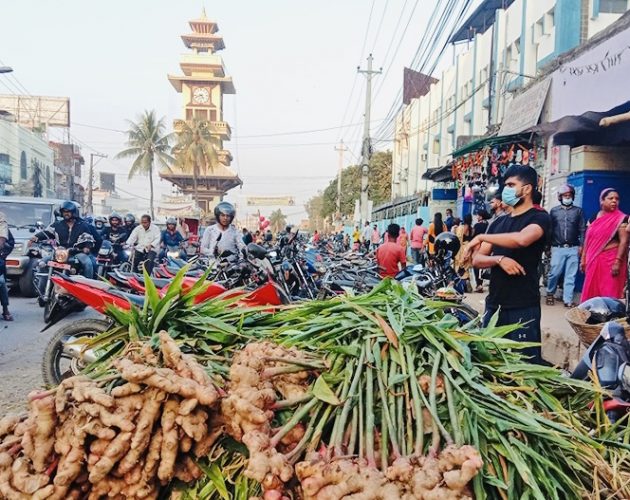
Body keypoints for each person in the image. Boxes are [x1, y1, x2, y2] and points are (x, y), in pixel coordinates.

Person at [466, 165, 551, 365]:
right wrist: (499, 259)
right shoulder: (497, 223)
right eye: (506, 185)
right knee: (491, 364)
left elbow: (522, 239)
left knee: (525, 366)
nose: (507, 190)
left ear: (528, 189)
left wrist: (481, 236)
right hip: (495, 304)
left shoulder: (540, 218)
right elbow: (478, 259)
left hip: (523, 306)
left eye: (512, 185)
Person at [580, 188, 628, 302]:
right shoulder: (593, 217)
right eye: (610, 198)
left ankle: (610, 318)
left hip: (611, 262)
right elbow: (588, 239)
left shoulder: (621, 218)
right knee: (592, 292)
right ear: (602, 201)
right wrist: (583, 259)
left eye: (617, 199)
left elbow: (624, 241)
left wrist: (618, 261)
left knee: (609, 293)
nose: (614, 201)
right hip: (593, 261)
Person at [545, 185, 585, 307]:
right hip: (558, 248)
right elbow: (549, 230)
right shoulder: (554, 211)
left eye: (569, 196)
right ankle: (550, 293)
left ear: (573, 196)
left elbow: (582, 229)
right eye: (565, 196)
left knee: (570, 275)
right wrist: (547, 247)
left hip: (573, 248)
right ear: (560, 197)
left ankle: (567, 300)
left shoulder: (578, 211)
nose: (567, 198)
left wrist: (581, 246)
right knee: (554, 273)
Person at [471, 210, 491, 292]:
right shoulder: (488, 225)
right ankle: (484, 282)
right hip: (488, 247)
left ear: (481, 216)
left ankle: (479, 284)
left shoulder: (477, 226)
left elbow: (474, 237)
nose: (477, 217)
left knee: (477, 266)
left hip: (478, 248)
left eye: (478, 215)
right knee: (485, 265)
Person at [0, 211, 14, 320]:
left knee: (1, 281)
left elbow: (4, 238)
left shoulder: (1, 218)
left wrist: (2, 252)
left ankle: (5, 309)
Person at [454, 214, 473, 280]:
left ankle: (462, 281)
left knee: (460, 264)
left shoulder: (462, 227)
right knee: (466, 265)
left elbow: (459, 239)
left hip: (462, 248)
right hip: (469, 247)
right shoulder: (472, 228)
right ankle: (466, 280)